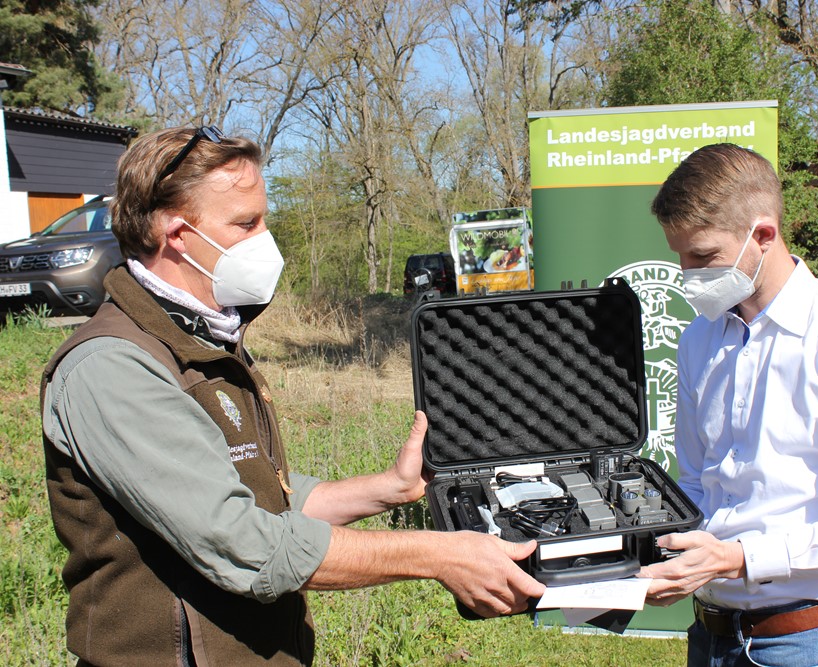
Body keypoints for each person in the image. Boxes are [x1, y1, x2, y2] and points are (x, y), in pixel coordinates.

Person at [40, 126, 545, 666]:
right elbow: (244, 544)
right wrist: (438, 554)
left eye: (264, 219)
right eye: (245, 223)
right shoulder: (113, 366)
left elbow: (263, 493)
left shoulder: (203, 336)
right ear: (177, 234)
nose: (264, 240)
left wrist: (390, 489)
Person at [638, 144, 818, 667]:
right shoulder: (698, 340)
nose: (685, 273)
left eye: (703, 257)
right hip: (710, 636)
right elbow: (697, 484)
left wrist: (737, 558)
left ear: (763, 235)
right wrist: (666, 552)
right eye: (679, 254)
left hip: (809, 644)